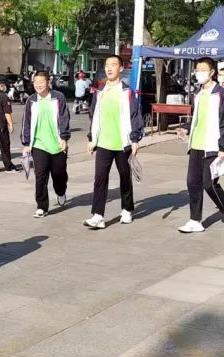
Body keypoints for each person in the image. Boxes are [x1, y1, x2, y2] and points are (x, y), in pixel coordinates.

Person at [176, 57, 224, 233]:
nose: (199, 73)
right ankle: (195, 220)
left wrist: (223, 147)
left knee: (208, 183)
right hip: (196, 145)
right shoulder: (197, 93)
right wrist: (186, 128)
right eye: (197, 70)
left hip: (213, 146)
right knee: (192, 183)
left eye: (203, 70)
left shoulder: (220, 93)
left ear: (212, 72)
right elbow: (196, 117)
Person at [84, 55, 143, 229]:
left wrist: (135, 139)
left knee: (125, 177)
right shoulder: (99, 92)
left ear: (121, 68)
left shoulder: (127, 92)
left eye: (113, 65)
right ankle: (98, 215)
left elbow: (135, 115)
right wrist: (92, 138)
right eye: (107, 65)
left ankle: (127, 209)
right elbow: (94, 115)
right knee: (100, 179)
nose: (109, 68)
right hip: (103, 143)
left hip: (122, 143)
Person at [21, 70, 71, 217]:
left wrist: (64, 137)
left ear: (48, 82)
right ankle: (42, 206)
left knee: (59, 174)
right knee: (41, 175)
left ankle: (61, 192)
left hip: (57, 144)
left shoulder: (58, 97)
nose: (38, 85)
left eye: (41, 82)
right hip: (39, 144)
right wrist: (26, 143)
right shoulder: (31, 100)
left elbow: (64, 118)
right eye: (35, 82)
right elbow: (26, 122)